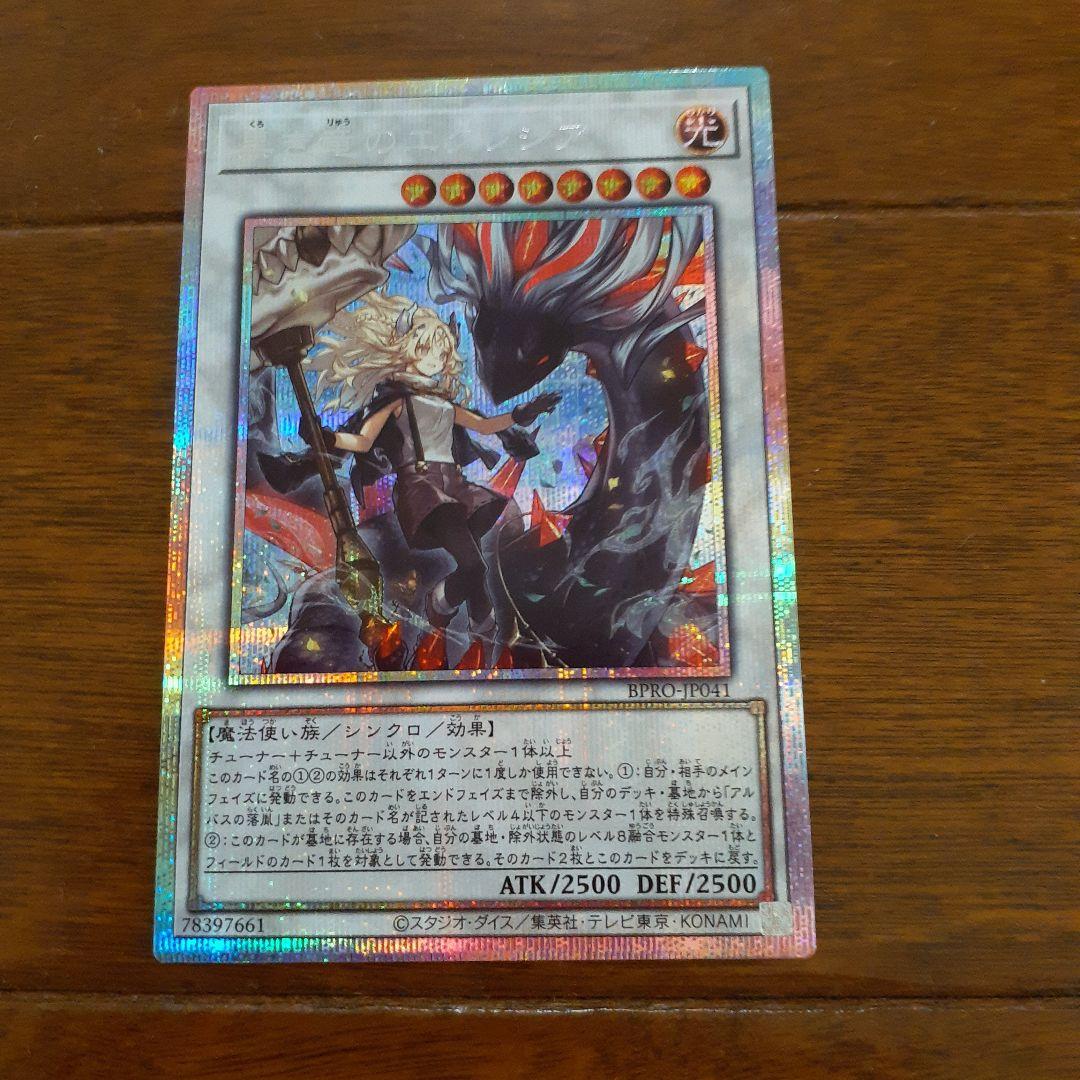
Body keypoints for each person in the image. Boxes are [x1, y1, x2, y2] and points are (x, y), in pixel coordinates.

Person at [297, 291, 559, 648]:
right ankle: (446, 606)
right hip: (422, 489)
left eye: (442, 352)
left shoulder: (444, 403)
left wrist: (522, 413)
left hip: (455, 486)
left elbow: (484, 426)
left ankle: (475, 622)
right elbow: (363, 440)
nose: (435, 358)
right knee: (475, 566)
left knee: (475, 564)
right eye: (427, 349)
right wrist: (326, 438)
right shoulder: (396, 401)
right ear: (407, 350)